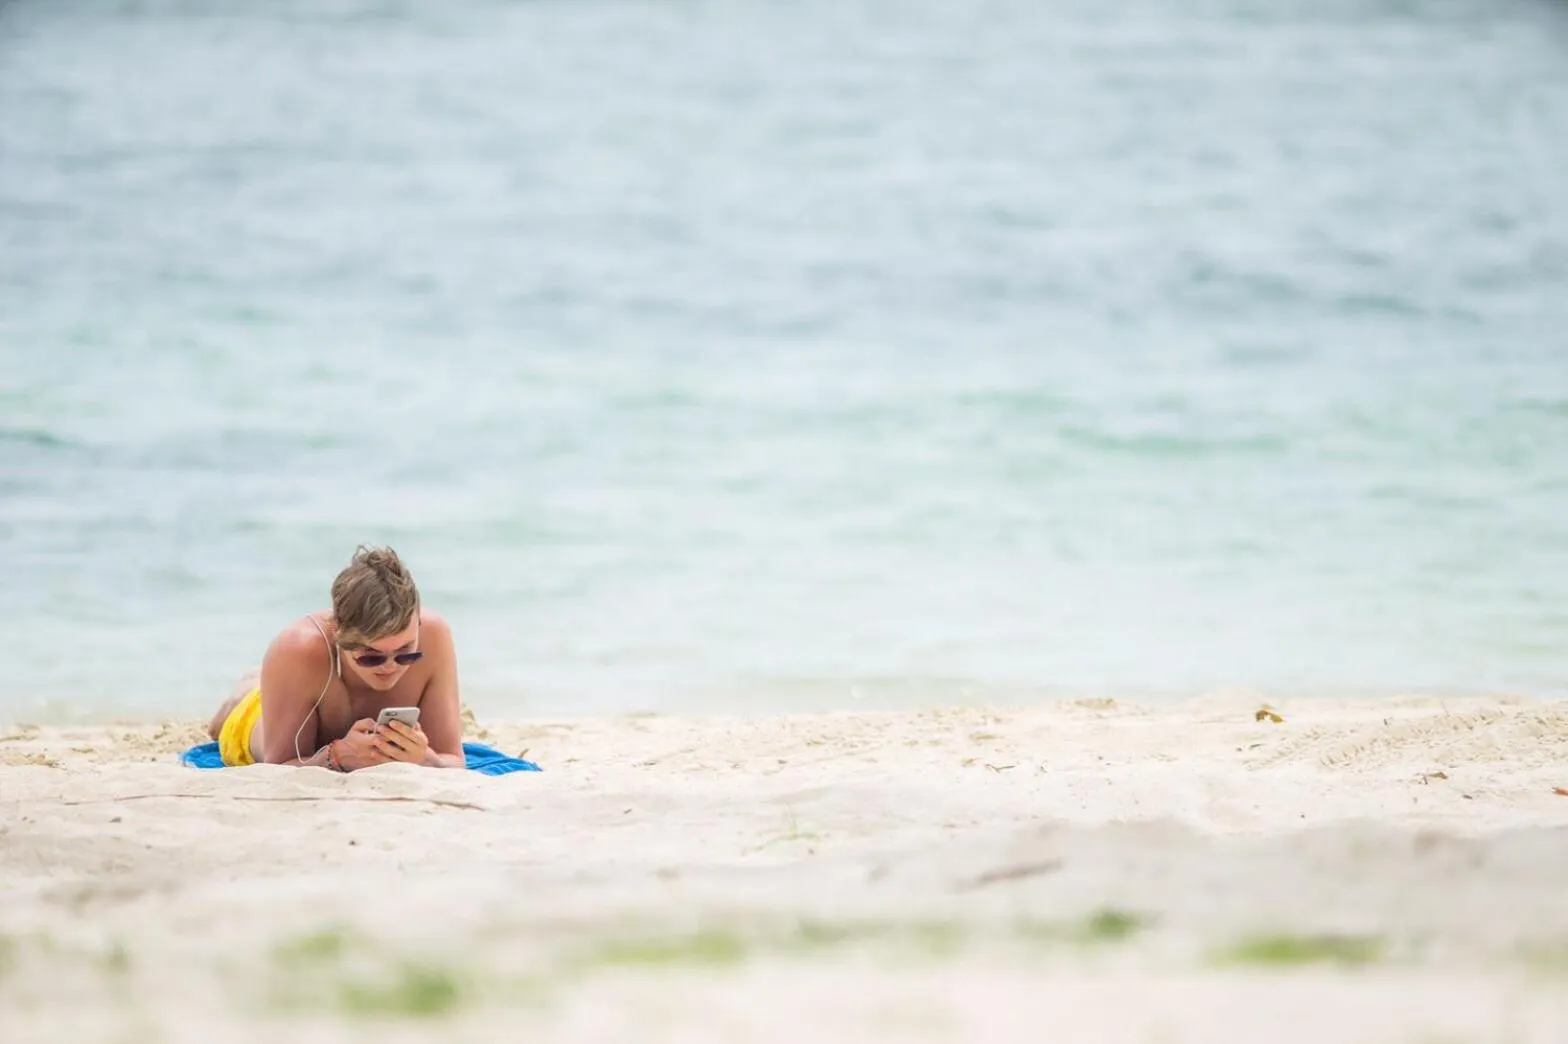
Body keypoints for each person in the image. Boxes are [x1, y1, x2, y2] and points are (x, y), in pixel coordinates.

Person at [207, 546, 465, 770]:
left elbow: (453, 760)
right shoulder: (299, 649)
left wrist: (426, 760)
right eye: (371, 657)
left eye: (406, 653)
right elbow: (277, 768)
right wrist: (338, 756)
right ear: (338, 629)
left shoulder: (435, 635)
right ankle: (249, 690)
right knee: (239, 714)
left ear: (418, 622)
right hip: (262, 713)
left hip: (299, 686)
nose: (390, 666)